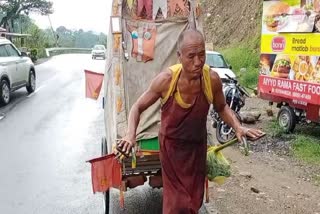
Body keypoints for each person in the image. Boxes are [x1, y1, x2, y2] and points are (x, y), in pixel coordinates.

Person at [116, 29, 264, 213]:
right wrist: (130, 135)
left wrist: (238, 127)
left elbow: (222, 107)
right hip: (171, 150)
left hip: (197, 149)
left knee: (194, 202)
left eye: (202, 55)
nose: (198, 62)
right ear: (179, 56)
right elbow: (137, 107)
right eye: (191, 56)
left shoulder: (212, 79)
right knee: (176, 204)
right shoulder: (167, 80)